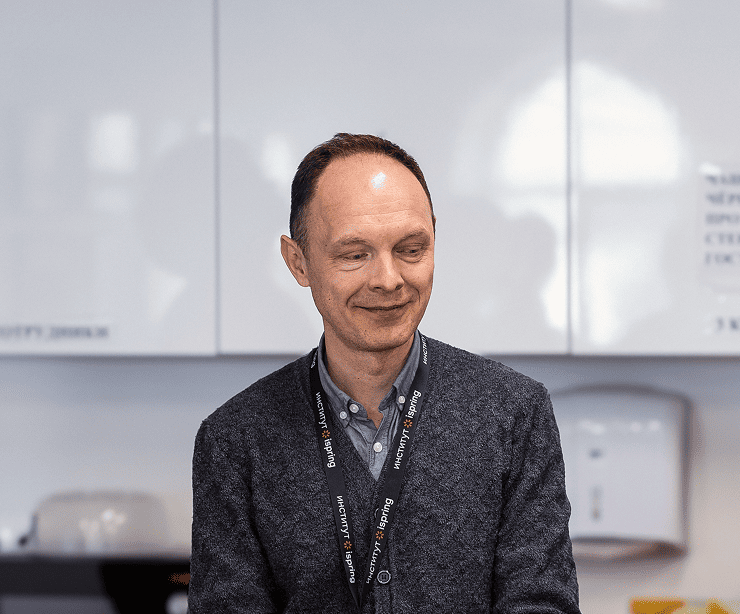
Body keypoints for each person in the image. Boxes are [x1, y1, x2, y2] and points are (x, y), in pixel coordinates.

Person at [190, 133, 580, 613]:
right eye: (355, 255)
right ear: (298, 262)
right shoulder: (234, 441)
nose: (389, 280)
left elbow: (541, 602)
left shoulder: (514, 414)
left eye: (411, 249)